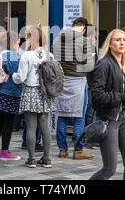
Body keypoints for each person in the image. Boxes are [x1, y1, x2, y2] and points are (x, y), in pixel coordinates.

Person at [89, 29, 125, 180]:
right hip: (109, 119)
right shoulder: (103, 64)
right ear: (110, 44)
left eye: (124, 40)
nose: (122, 43)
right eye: (118, 40)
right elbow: (97, 96)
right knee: (109, 169)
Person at [52, 17, 95, 159]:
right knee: (79, 117)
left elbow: (54, 59)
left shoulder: (58, 39)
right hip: (78, 82)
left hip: (62, 81)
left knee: (61, 116)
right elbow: (89, 66)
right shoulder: (84, 41)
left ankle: (62, 149)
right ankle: (78, 150)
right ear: (83, 28)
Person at [13, 26, 54, 168]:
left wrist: (13, 76)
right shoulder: (50, 55)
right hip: (45, 94)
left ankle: (31, 159)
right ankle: (47, 158)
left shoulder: (26, 55)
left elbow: (21, 77)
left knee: (31, 127)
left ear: (31, 38)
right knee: (45, 127)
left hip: (30, 92)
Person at [0, 31, 23, 161]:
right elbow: (16, 73)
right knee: (8, 123)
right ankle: (4, 151)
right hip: (10, 92)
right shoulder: (13, 55)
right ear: (15, 40)